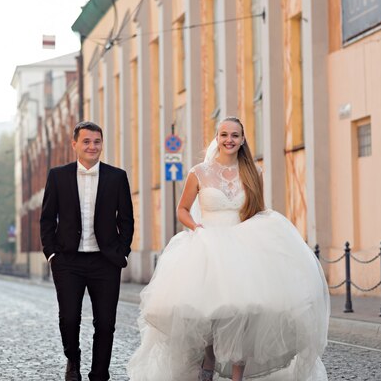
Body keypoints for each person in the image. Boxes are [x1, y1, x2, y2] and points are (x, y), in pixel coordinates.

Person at [127, 117, 330, 380]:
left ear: (243, 139)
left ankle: (237, 374)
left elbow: (256, 210)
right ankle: (208, 361)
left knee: (245, 311)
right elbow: (182, 209)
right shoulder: (198, 172)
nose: (229, 140)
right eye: (224, 135)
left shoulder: (253, 173)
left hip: (245, 246)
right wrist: (197, 228)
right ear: (217, 137)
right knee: (212, 310)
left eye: (235, 135)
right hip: (208, 243)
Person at [40, 121, 134, 381]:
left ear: (102, 144)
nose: (92, 146)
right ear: (75, 145)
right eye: (86, 141)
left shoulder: (117, 177)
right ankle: (73, 357)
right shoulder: (57, 176)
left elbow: (126, 219)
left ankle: (99, 373)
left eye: (97, 142)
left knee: (105, 323)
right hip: (67, 261)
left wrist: (122, 253)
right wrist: (52, 254)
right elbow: (47, 219)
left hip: (106, 261)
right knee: (69, 319)